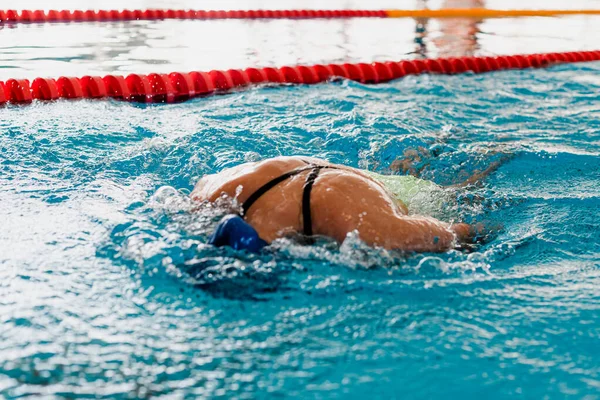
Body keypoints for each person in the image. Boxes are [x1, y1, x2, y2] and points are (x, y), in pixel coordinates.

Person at [191, 155, 504, 253]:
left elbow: (458, 232)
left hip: (353, 187)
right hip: (313, 171)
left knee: (458, 187)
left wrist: (480, 231)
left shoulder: (368, 227)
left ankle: (498, 155)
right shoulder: (217, 194)